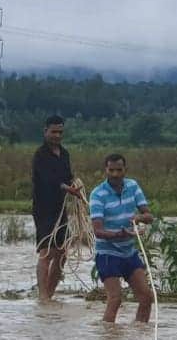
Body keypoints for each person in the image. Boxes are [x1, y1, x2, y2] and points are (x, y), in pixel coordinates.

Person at [89, 153, 155, 322]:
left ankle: (140, 339)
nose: (115, 175)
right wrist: (120, 234)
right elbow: (98, 231)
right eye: (111, 170)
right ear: (106, 170)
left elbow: (149, 216)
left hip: (129, 252)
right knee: (115, 299)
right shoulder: (98, 194)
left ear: (125, 170)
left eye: (119, 170)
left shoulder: (132, 186)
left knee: (147, 297)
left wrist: (138, 218)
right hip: (107, 253)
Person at [32, 115, 84, 300]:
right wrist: (66, 187)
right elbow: (48, 179)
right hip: (44, 209)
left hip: (61, 208)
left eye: (60, 132)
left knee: (62, 252)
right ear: (45, 131)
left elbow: (67, 176)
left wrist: (75, 186)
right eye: (53, 132)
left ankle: (50, 294)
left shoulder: (64, 153)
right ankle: (43, 296)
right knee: (46, 252)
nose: (57, 135)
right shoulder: (40, 155)